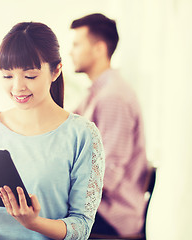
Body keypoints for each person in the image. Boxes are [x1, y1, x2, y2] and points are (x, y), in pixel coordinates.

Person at [0, 22, 105, 240]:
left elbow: (81, 226)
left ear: (56, 71)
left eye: (30, 76)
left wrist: (34, 223)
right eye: (7, 76)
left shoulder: (82, 135)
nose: (17, 87)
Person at [69, 13, 149, 237]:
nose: (70, 51)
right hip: (98, 210)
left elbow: (108, 175)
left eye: (76, 44)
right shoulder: (97, 93)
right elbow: (64, 134)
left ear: (99, 49)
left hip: (112, 216)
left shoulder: (113, 97)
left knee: (39, 220)